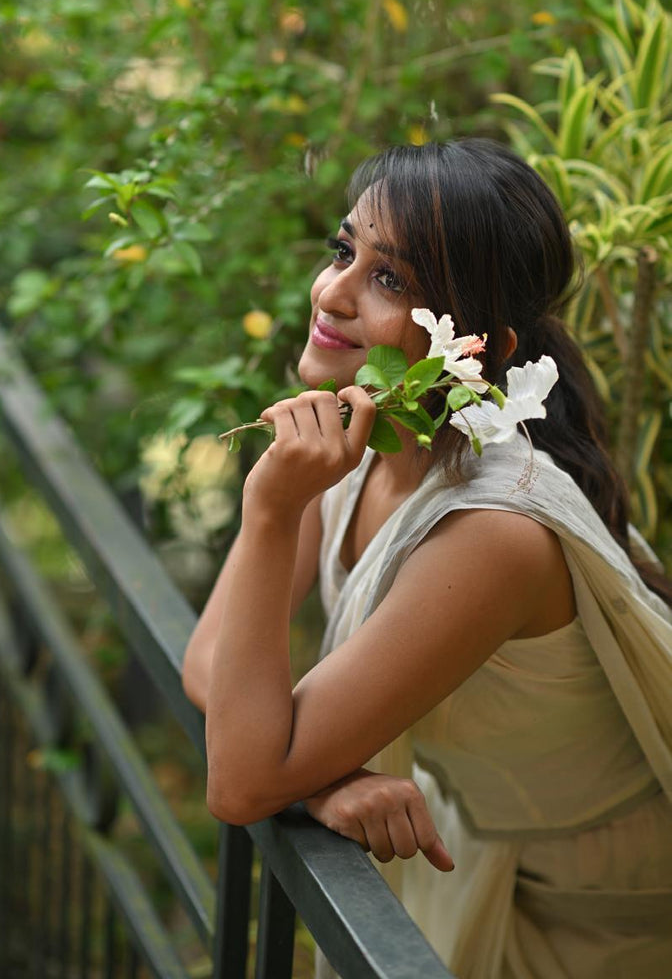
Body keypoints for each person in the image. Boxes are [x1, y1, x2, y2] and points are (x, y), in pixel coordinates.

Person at [182, 139, 672, 979]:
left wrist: (268, 513)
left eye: (390, 279)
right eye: (344, 252)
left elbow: (237, 780)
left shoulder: (493, 534)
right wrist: (321, 779)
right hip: (482, 843)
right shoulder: (361, 439)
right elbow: (211, 667)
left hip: (598, 904)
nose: (331, 293)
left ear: (476, 347)